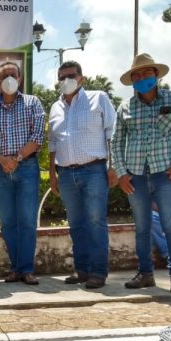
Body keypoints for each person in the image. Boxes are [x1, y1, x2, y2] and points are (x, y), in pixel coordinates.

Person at [111, 53, 171, 294]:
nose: (142, 77)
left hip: (165, 174)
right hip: (135, 175)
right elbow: (116, 142)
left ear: (156, 74)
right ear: (132, 80)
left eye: (147, 72)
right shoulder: (125, 107)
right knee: (142, 227)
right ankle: (145, 273)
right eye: (137, 74)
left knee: (170, 226)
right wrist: (122, 173)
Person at [48, 61, 116, 289]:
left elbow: (111, 134)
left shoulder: (99, 98)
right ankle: (82, 270)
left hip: (94, 170)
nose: (65, 80)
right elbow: (52, 143)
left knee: (96, 221)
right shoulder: (55, 107)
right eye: (61, 77)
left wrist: (113, 166)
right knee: (76, 224)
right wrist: (52, 173)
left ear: (81, 78)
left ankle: (98, 272)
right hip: (66, 173)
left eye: (70, 75)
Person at [0, 62, 45, 286]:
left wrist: (16, 159)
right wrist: (3, 161)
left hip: (26, 166)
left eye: (13, 74)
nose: (9, 78)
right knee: (8, 222)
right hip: (0, 170)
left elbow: (37, 137)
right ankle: (15, 268)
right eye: (4, 75)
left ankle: (26, 269)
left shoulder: (32, 102)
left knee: (27, 220)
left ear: (20, 78)